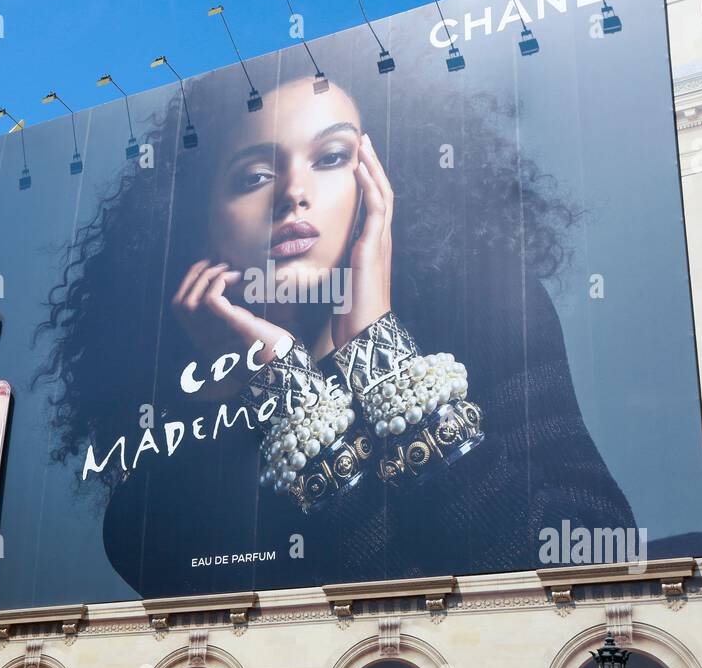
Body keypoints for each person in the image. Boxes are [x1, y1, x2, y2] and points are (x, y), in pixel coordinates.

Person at [38, 49, 635, 598]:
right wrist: (276, 388)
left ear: (376, 176)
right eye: (254, 176)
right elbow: (310, 632)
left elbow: (590, 562)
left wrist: (380, 354)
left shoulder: (485, 306)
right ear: (196, 220)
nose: (293, 194)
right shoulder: (167, 457)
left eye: (330, 158)